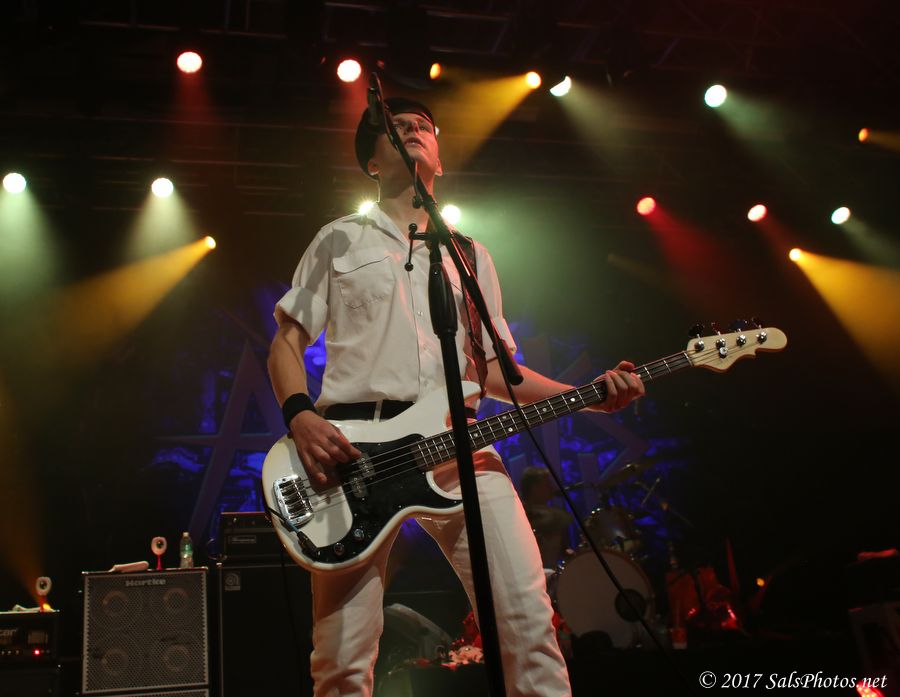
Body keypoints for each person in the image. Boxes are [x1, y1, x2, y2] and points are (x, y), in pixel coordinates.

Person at [267, 96, 645, 697]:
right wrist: (301, 416)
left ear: (439, 157)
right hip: (354, 459)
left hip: (461, 448)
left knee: (529, 624)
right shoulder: (338, 240)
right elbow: (285, 344)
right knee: (341, 658)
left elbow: (498, 374)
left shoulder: (470, 257)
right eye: (399, 127)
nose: (414, 130)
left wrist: (591, 396)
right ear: (372, 162)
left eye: (424, 126)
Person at [520, 466, 575, 570]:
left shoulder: (552, 516)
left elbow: (563, 550)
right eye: (547, 484)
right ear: (534, 488)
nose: (552, 488)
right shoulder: (522, 516)